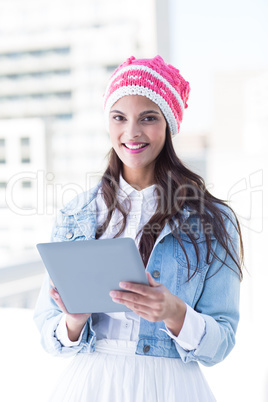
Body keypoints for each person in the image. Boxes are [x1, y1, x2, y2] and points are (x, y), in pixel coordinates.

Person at [33, 55, 243, 402]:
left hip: (171, 387)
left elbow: (222, 343)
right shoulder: (77, 214)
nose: (131, 132)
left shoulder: (213, 220)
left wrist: (176, 314)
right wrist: (73, 321)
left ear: (169, 124)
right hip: (92, 385)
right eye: (119, 117)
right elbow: (48, 332)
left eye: (148, 118)